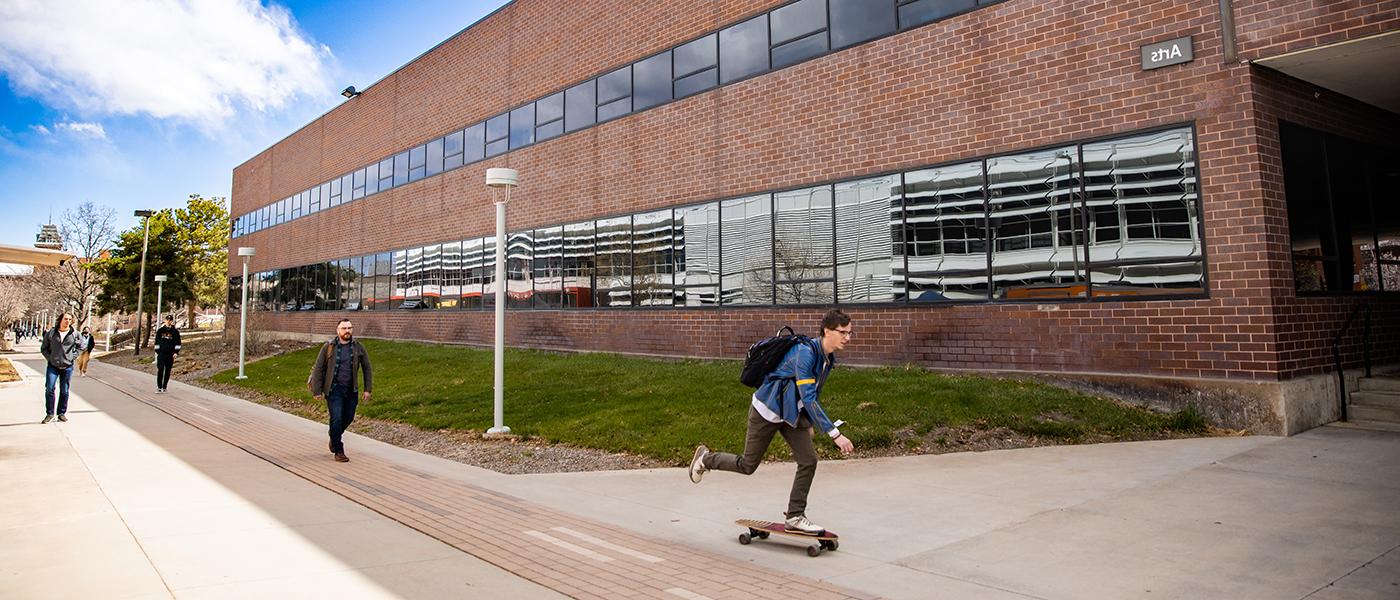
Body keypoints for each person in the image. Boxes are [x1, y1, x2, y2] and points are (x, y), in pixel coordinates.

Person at [689, 309, 856, 535]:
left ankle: (795, 516)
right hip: (767, 409)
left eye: (850, 333)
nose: (848, 338)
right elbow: (807, 396)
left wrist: (806, 424)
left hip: (790, 415)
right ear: (827, 331)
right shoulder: (806, 353)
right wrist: (835, 433)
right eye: (843, 332)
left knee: (808, 460)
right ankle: (705, 459)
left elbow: (809, 394)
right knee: (748, 465)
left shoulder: (828, 358)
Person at [309, 318, 372, 463]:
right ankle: (339, 450)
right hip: (334, 389)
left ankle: (334, 436)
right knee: (336, 418)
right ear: (338, 331)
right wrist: (317, 391)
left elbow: (367, 368)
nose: (347, 331)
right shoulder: (329, 347)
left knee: (348, 417)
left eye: (349, 328)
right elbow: (319, 368)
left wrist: (367, 389)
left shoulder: (358, 347)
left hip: (351, 390)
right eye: (344, 328)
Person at [39, 314, 82, 423]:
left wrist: (73, 357)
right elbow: (44, 348)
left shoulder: (75, 334)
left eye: (70, 319)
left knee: (64, 391)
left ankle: (61, 413)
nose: (67, 321)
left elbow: (81, 347)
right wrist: (50, 358)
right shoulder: (51, 333)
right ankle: (49, 414)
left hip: (67, 366)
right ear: (60, 320)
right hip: (53, 366)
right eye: (65, 319)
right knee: (49, 388)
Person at [153, 315, 181, 393]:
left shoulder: (175, 332)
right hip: (161, 353)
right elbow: (157, 342)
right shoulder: (160, 331)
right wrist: (158, 351)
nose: (169, 321)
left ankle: (164, 387)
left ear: (172, 321)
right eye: (167, 320)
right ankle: (159, 387)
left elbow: (178, 343)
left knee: (168, 371)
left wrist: (176, 352)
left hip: (170, 354)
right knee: (160, 369)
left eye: (170, 320)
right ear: (165, 320)